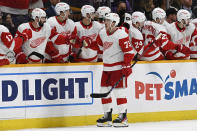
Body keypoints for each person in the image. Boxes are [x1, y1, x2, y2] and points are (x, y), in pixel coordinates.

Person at [96, 13, 135, 127]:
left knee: (119, 92)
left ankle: (123, 116)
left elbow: (129, 52)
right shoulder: (102, 32)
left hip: (117, 68)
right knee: (103, 92)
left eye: (108, 20)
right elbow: (98, 44)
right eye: (105, 20)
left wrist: (126, 65)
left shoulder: (121, 34)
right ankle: (107, 116)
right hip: (106, 68)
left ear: (114, 23)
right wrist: (86, 43)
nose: (105, 22)